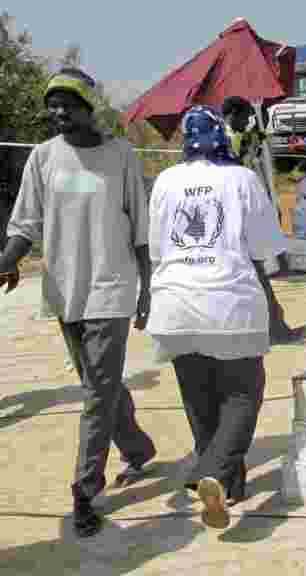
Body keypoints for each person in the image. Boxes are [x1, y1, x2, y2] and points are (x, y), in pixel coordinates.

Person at [0, 68, 157, 538]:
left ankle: (85, 490)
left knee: (95, 394)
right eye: (53, 105)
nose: (58, 113)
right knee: (99, 385)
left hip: (111, 288)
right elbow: (25, 223)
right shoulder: (43, 159)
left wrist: (148, 287)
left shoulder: (120, 155)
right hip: (66, 290)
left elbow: (140, 226)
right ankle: (137, 448)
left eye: (68, 104)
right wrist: (7, 260)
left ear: (90, 107)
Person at [147, 106, 279, 529]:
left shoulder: (166, 181)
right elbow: (264, 247)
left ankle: (227, 485)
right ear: (223, 136)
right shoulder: (241, 178)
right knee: (243, 391)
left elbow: (156, 250)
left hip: (172, 304)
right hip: (229, 302)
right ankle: (212, 472)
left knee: (199, 394)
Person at [222, 95, 301, 344]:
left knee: (254, 276)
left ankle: (271, 326)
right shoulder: (224, 139)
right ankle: (275, 328)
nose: (247, 122)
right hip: (237, 219)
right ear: (233, 114)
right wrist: (244, 147)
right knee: (256, 276)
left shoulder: (235, 137)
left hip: (240, 215)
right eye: (244, 117)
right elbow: (232, 167)